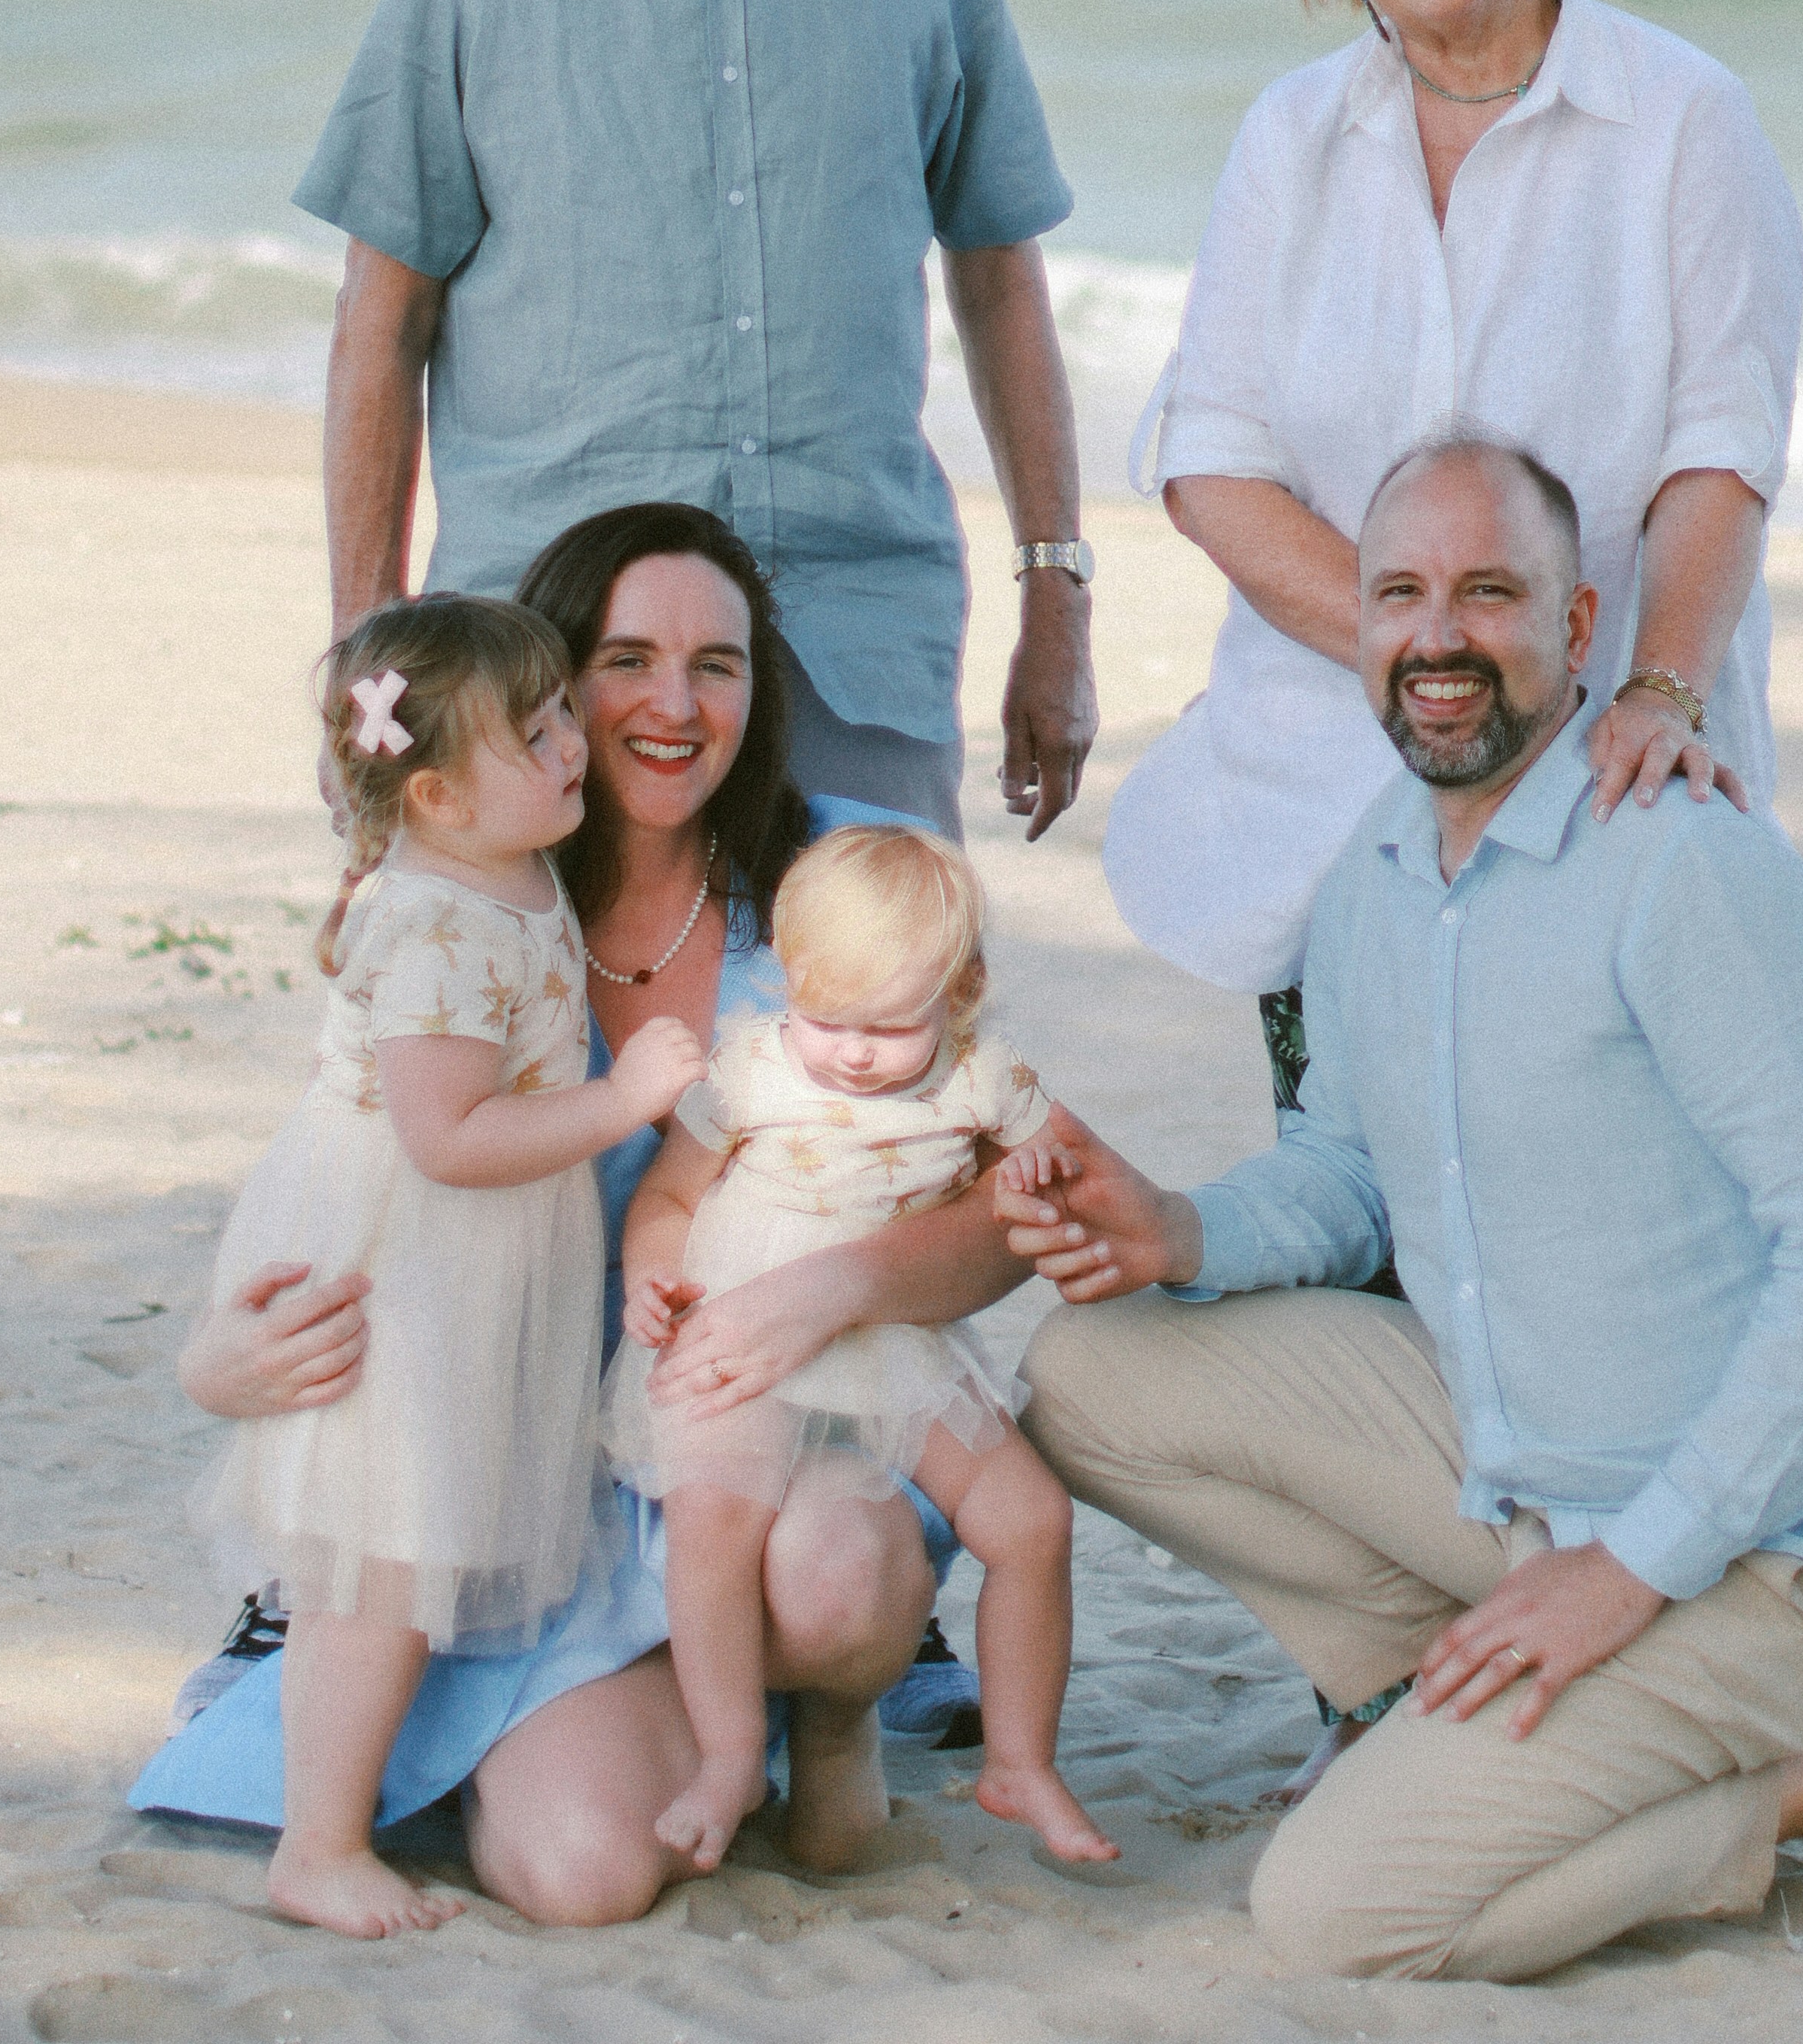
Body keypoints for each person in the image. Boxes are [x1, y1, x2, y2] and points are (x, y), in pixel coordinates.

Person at [1007, 436, 1803, 1983]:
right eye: (1399, 592)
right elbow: (1345, 1172)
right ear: (1361, 624)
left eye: (1490, 593)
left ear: (1581, 626)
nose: (1438, 635)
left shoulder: (1683, 871)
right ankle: (1449, 1694)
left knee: (1334, 1915)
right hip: (1528, 1478)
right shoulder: (1377, 874)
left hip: (1784, 1562)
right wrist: (1173, 1229)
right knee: (1089, 1373)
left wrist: (1631, 1572)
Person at [135, 503, 1040, 1921]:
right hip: (522, 1476)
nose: (675, 706)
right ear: (549, 686)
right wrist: (217, 1366)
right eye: (626, 660)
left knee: (840, 1569)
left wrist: (835, 1287)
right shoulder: (474, 891)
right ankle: (599, 1723)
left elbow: (1005, 1193)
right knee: (582, 1877)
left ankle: (831, 1718)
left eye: (721, 665)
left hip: (769, 1441)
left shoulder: (844, 875)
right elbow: (358, 1180)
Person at [301, 0, 1097, 843]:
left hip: (850, 636)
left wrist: (1056, 605)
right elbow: (385, 321)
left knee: (877, 1044)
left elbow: (1001, 286)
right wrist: (372, 652)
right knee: (537, 1054)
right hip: (535, 655)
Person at [1105, 0, 1803, 1105]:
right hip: (1326, 802)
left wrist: (1642, 694)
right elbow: (1214, 464)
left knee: (1584, 1217)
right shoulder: (1287, 141)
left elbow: (1722, 449)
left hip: (1610, 781)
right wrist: (1437, 668)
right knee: (1356, 1216)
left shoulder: (1686, 121)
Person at [194, 596, 702, 1937]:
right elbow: (447, 1138)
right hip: (408, 1265)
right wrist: (624, 1099)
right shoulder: (436, 924)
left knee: (416, 1556)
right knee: (379, 1564)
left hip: (470, 1264)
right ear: (437, 795)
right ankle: (320, 1841)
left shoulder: (505, 869)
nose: (571, 745)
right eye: (534, 735)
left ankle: (394, 1792)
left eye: (556, 718)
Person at [609, 828, 1115, 1874]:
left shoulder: (983, 1077)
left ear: (962, 990)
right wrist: (652, 1275)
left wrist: (1025, 1180)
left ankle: (1022, 1758)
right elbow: (668, 1192)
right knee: (714, 1520)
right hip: (745, 1320)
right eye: (825, 1017)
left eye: (889, 1028)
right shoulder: (752, 1067)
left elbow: (1054, 1167)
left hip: (889, 1337)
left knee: (1032, 1519)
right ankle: (730, 1754)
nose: (849, 1052)